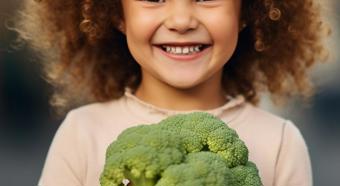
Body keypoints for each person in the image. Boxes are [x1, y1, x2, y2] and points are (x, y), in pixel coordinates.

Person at [15, 0, 329, 185]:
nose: (181, 20)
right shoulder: (82, 133)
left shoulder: (280, 142)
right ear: (116, 13)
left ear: (247, 11)